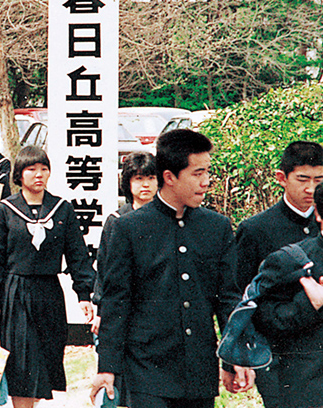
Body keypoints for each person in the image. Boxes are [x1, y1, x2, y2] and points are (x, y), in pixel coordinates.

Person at [91, 129, 255, 408]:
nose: (206, 182)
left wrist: (233, 358)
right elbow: (116, 301)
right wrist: (107, 367)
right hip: (146, 369)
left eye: (208, 172)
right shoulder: (129, 228)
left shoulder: (216, 228)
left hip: (198, 368)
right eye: (197, 173)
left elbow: (228, 298)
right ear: (169, 176)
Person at [0, 145, 95, 407]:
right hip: (15, 293)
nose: (38, 174)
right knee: (21, 361)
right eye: (31, 169)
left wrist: (84, 294)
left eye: (44, 169)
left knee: (45, 359)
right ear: (19, 174)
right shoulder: (5, 210)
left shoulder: (61, 209)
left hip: (49, 293)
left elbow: (77, 254)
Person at [234, 140, 323, 407]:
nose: (311, 189)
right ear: (281, 178)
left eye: (319, 180)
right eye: (302, 179)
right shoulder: (256, 230)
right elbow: (245, 300)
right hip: (283, 364)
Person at [91, 152, 158, 407]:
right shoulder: (117, 221)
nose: (145, 185)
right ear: (128, 182)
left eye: (150, 178)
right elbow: (105, 270)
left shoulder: (168, 218)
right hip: (122, 309)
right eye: (139, 178)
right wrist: (100, 310)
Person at [252, 181, 323, 408]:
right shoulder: (291, 260)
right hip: (308, 391)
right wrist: (310, 305)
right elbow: (263, 318)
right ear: (319, 214)